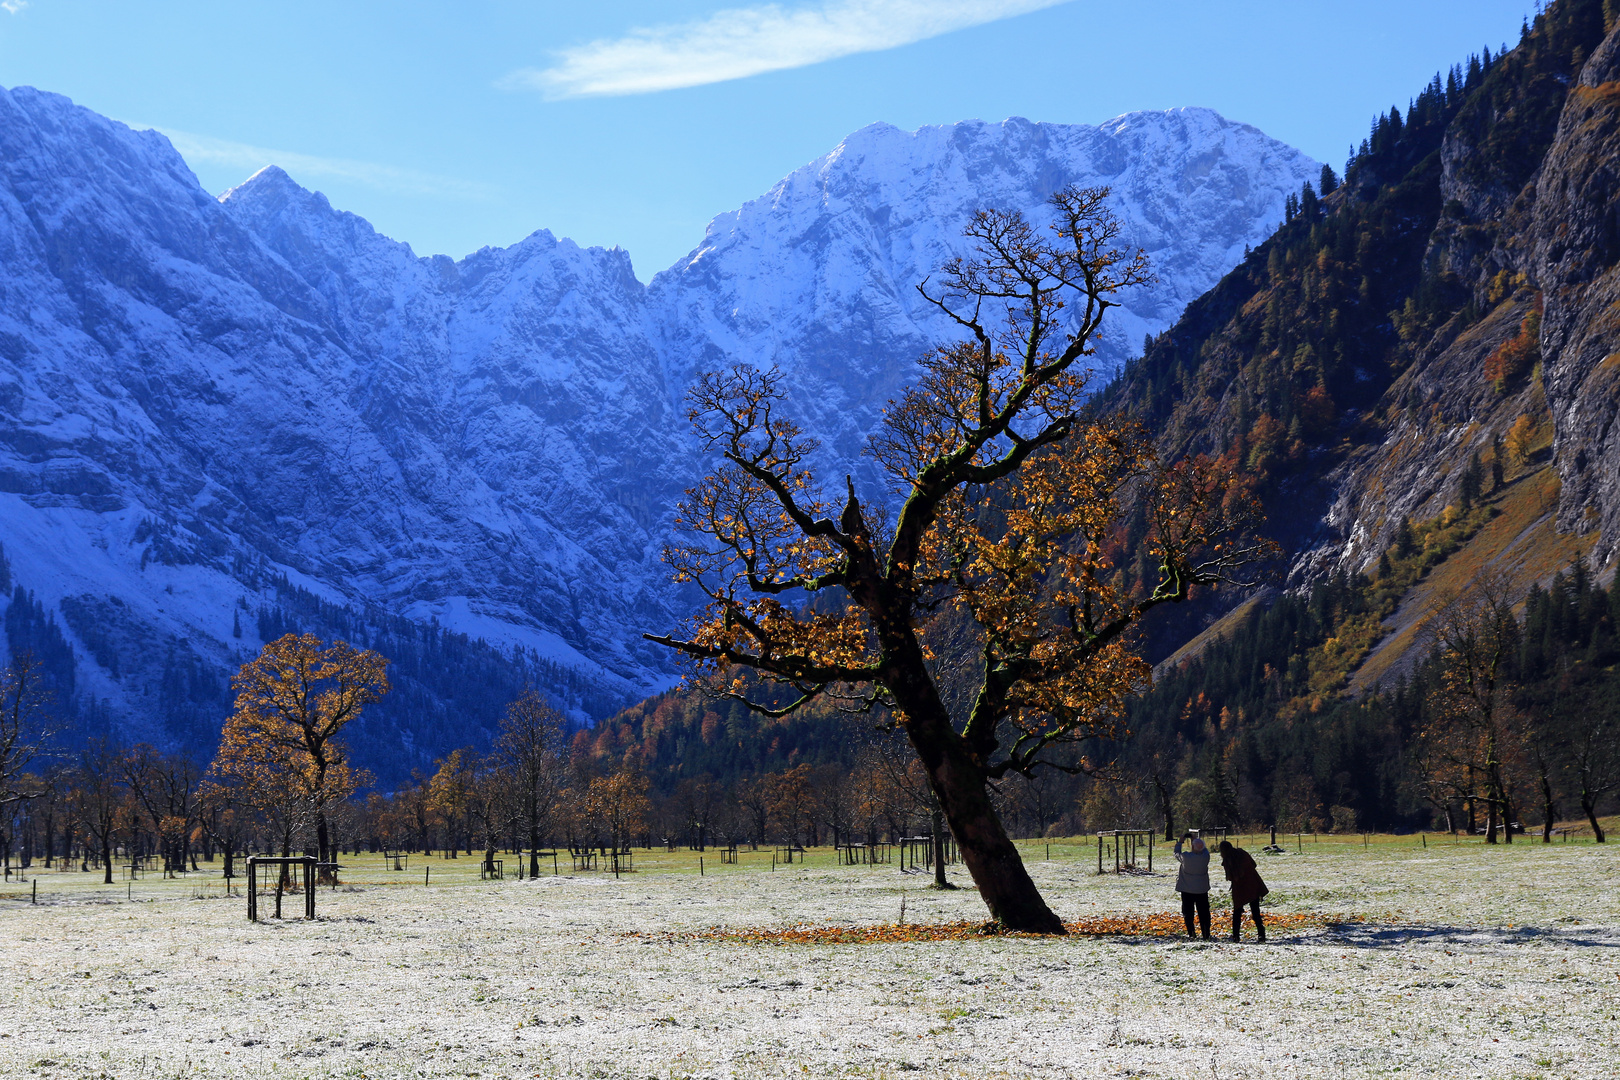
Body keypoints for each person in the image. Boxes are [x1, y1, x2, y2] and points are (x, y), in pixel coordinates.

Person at [1218, 839, 1268, 942]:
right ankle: (1261, 934)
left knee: (1237, 912)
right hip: (1253, 883)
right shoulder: (1242, 853)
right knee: (1255, 911)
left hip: (1240, 887)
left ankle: (1236, 936)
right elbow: (1254, 864)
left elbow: (1230, 877)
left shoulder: (1228, 860)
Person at [1172, 832, 1211, 939]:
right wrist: (1196, 840)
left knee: (1188, 913)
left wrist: (1180, 842)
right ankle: (1206, 934)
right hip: (1202, 890)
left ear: (1192, 847)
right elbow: (1204, 849)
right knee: (1204, 913)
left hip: (1187, 889)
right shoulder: (1206, 857)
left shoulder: (1186, 857)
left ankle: (1191, 933)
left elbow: (1176, 853)